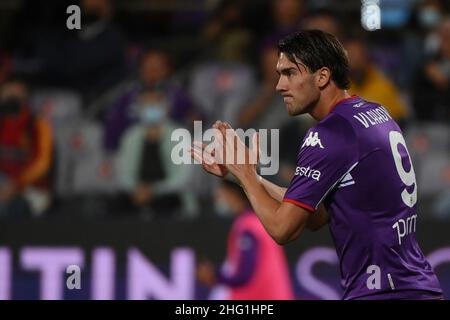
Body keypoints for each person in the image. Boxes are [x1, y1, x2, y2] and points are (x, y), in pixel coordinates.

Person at [191, 30, 443, 300]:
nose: (279, 85)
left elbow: (282, 229)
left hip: (383, 293)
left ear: (322, 77)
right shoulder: (375, 113)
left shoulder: (330, 133)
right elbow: (318, 215)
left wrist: (247, 177)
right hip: (418, 287)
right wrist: (247, 176)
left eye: (290, 73)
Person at [196, 180, 294, 300]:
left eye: (222, 192)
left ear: (233, 194)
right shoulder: (261, 221)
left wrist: (214, 276)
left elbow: (244, 274)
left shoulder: (248, 226)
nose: (218, 196)